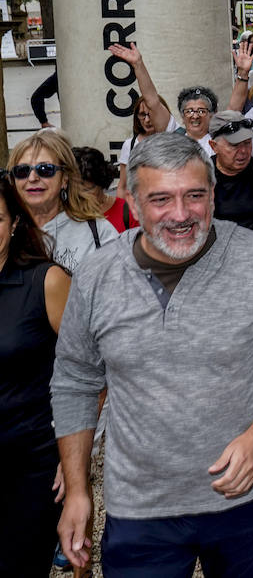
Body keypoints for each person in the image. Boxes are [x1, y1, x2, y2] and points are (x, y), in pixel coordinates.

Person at [51, 133, 253, 575]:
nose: (181, 214)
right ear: (131, 202)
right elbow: (76, 380)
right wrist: (78, 490)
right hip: (141, 506)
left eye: (195, 195)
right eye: (160, 199)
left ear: (213, 195)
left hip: (248, 496)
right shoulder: (98, 275)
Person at [0, 175, 70, 577]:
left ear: (13, 223)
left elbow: (92, 364)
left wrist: (74, 451)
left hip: (30, 465)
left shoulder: (46, 281)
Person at [9, 131, 118, 271]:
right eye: (22, 171)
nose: (32, 178)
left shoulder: (99, 231)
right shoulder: (5, 231)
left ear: (65, 178)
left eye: (45, 169)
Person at [202, 109, 253, 233]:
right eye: (234, 145)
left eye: (247, 143)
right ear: (214, 146)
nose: (244, 151)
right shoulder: (200, 175)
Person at [72, 146, 137, 232]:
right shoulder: (66, 215)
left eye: (87, 190)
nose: (81, 196)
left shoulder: (127, 212)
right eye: (74, 190)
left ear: (101, 183)